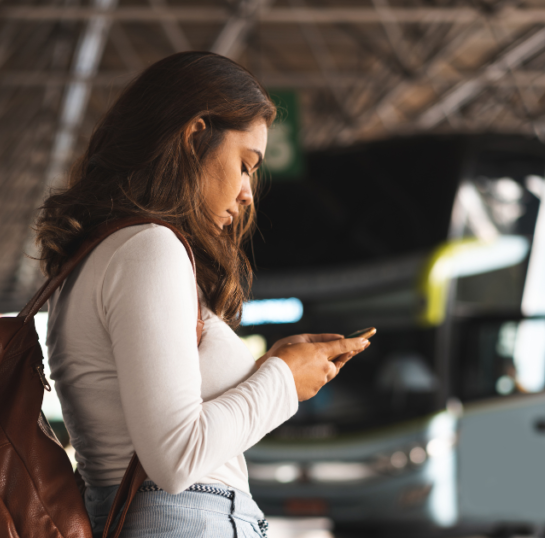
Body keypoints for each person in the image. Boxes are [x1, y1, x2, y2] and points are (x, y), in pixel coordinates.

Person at [36, 51, 372, 537]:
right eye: (244, 164)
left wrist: (267, 370)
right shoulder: (150, 248)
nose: (247, 193)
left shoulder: (102, 254)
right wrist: (281, 381)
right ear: (195, 136)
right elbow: (175, 456)